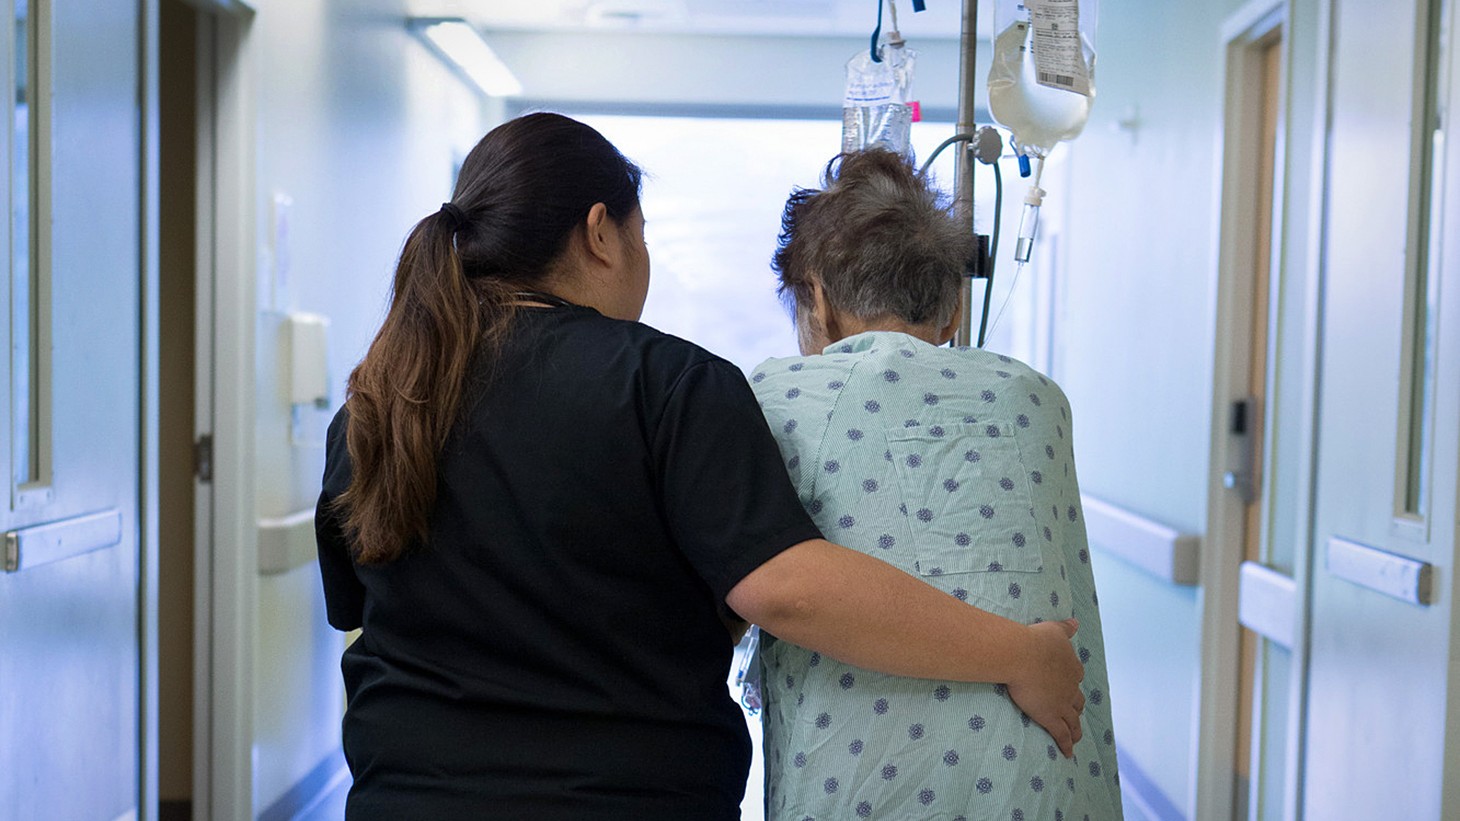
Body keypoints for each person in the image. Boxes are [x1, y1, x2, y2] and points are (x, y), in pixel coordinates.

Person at [314, 113, 1086, 820]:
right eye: (640, 233)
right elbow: (789, 588)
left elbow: (369, 615)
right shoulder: (665, 381)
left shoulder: (378, 406)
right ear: (600, 234)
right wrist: (1022, 653)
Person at [750, 148, 1123, 820]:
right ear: (953, 311)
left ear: (819, 303)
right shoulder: (1036, 400)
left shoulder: (779, 395)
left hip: (859, 781)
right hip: (1039, 786)